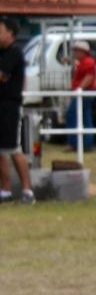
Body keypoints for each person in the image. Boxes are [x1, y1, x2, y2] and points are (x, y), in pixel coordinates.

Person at [0, 19, 31, 203]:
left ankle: (27, 190)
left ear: (10, 33)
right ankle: (5, 190)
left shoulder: (15, 52)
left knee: (13, 148)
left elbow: (2, 75)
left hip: (9, 106)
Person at [67, 40, 96, 151]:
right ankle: (86, 144)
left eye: (76, 50)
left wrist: (79, 89)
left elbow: (89, 77)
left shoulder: (88, 62)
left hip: (84, 94)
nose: (75, 53)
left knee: (72, 114)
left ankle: (74, 143)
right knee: (86, 117)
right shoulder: (84, 61)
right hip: (85, 93)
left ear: (83, 51)